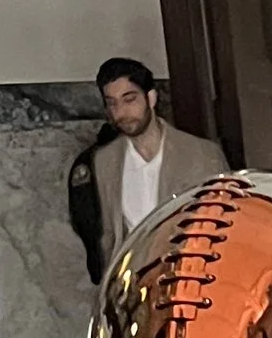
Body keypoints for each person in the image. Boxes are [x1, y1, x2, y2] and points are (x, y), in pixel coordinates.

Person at [84, 57, 224, 269]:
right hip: (136, 285)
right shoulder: (106, 160)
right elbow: (110, 237)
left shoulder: (201, 155)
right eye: (112, 103)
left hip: (192, 278)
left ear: (151, 98)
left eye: (129, 99)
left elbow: (223, 227)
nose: (120, 112)